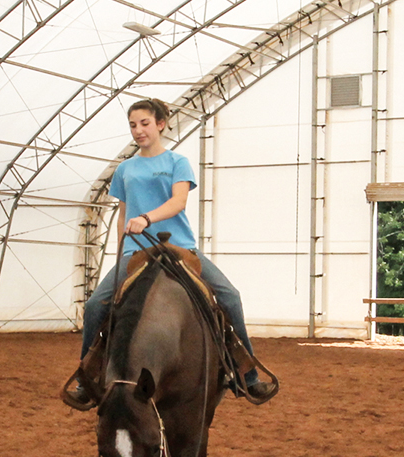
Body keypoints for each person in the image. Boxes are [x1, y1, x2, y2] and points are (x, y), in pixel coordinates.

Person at [81, 98, 275, 401]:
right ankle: (87, 379)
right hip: (136, 251)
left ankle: (246, 376)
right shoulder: (125, 169)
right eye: (133, 125)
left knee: (230, 297)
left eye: (144, 123)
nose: (138, 130)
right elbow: (123, 212)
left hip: (179, 247)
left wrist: (146, 219)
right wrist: (123, 245)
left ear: (160, 124)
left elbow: (178, 202)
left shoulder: (176, 162)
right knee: (95, 306)